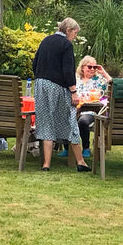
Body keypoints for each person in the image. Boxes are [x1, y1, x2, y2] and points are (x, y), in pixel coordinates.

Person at [31, 18, 90, 172]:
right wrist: (73, 92)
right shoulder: (66, 45)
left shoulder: (46, 40)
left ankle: (46, 164)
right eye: (75, 33)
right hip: (57, 87)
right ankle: (80, 162)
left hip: (41, 85)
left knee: (46, 122)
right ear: (69, 30)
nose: (75, 36)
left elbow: (35, 63)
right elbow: (68, 70)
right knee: (70, 120)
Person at [71, 55, 111, 158]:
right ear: (83, 67)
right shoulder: (75, 78)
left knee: (83, 121)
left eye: (95, 67)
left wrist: (104, 72)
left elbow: (113, 84)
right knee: (66, 119)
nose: (92, 69)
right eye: (89, 67)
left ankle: (86, 148)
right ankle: (68, 148)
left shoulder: (98, 80)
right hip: (74, 109)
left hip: (91, 111)